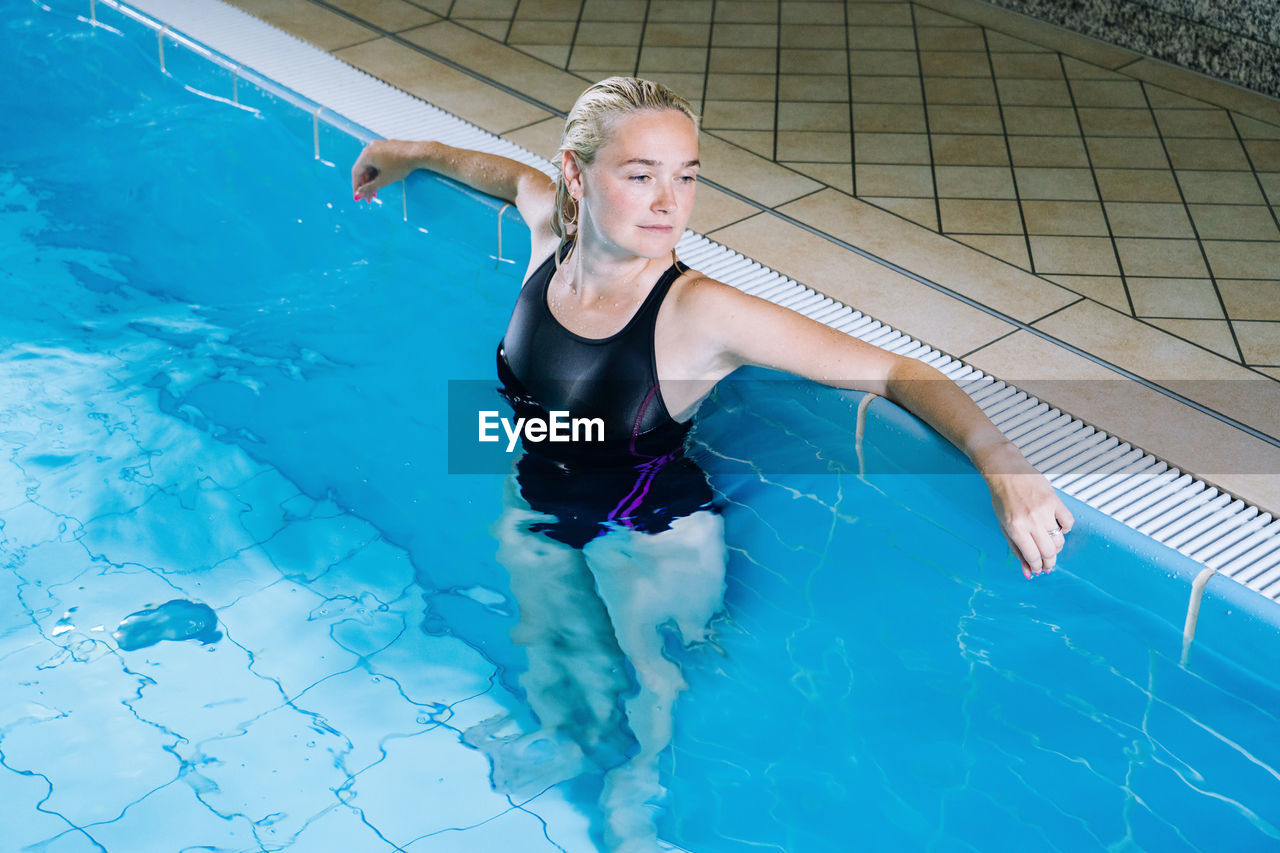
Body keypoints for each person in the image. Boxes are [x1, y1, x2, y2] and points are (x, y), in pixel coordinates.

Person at [351, 76, 1073, 579]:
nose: (670, 202)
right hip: (540, 489)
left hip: (655, 535)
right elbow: (511, 177)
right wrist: (410, 151)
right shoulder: (549, 243)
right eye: (640, 175)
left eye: (687, 176)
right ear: (577, 176)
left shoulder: (700, 312)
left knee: (647, 729)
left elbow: (893, 371)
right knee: (553, 681)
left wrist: (1001, 462)